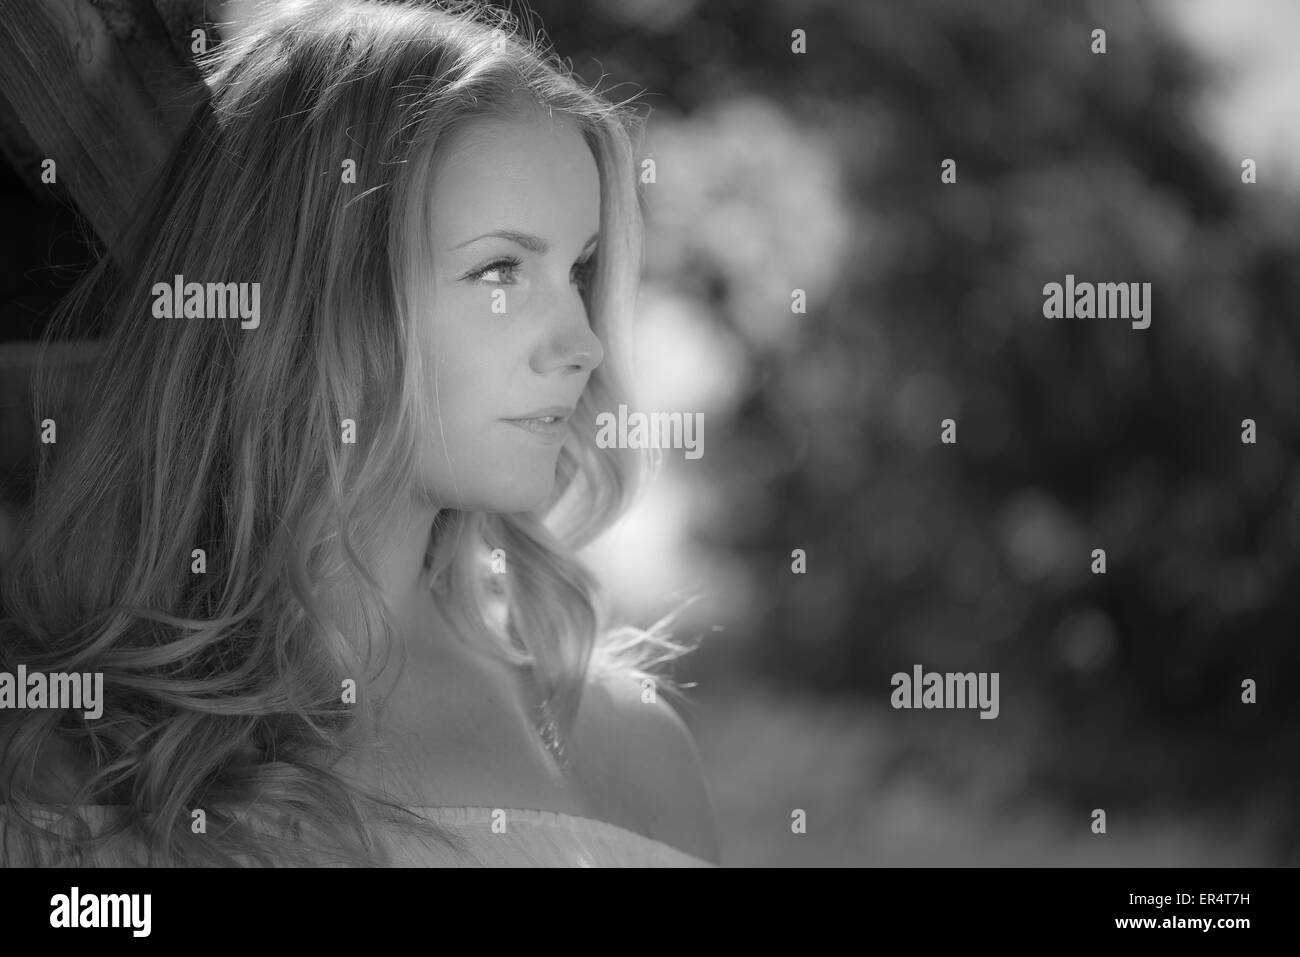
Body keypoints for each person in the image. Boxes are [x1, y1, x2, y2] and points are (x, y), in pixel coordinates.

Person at [0, 0, 719, 867]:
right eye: (501, 269)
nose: (584, 344)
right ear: (321, 299)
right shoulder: (66, 743)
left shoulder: (642, 747)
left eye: (578, 271)